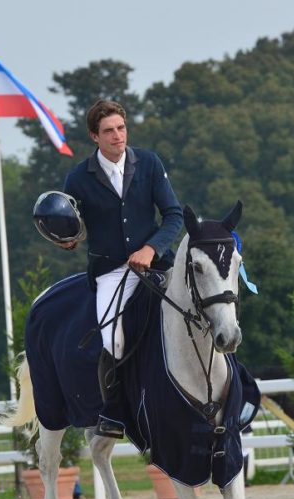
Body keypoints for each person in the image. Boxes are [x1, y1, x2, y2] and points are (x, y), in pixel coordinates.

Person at [59, 99, 184, 438]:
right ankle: (115, 411)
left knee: (200, 314)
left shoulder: (150, 163)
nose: (117, 136)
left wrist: (151, 247)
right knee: (112, 340)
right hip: (112, 273)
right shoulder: (77, 180)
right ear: (94, 137)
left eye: (121, 128)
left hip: (158, 263)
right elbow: (72, 226)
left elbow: (173, 215)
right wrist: (67, 239)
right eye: (108, 131)